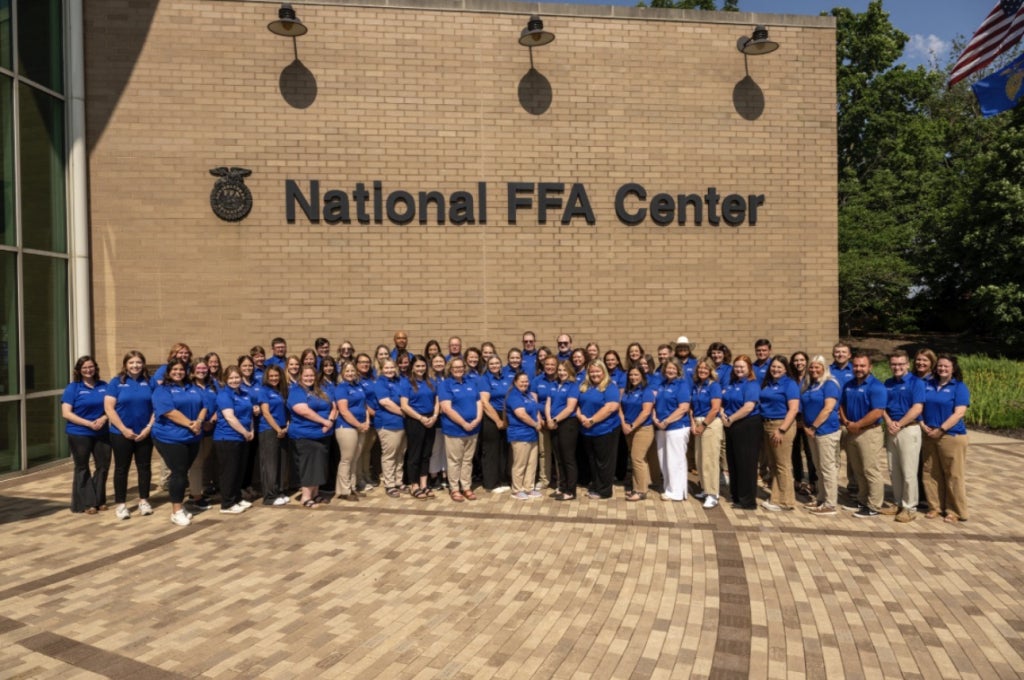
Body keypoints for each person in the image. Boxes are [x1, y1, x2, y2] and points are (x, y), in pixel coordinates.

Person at [151, 358, 206, 526]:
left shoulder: (193, 388)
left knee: (183, 472)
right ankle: (176, 511)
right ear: (168, 372)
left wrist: (198, 422)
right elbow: (169, 412)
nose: (178, 372)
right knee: (179, 472)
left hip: (192, 436)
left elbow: (204, 406)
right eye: (174, 369)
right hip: (170, 438)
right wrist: (191, 424)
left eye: (181, 369)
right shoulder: (163, 390)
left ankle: (180, 506)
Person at [104, 351, 155, 520]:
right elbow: (109, 408)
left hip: (144, 433)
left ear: (143, 364)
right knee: (121, 469)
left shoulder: (150, 382)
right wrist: (124, 429)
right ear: (125, 364)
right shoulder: (116, 382)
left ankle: (144, 501)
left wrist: (148, 428)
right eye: (131, 362)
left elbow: (157, 407)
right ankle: (121, 505)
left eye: (138, 362)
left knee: (144, 467)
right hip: (121, 434)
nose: (135, 366)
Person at [920, 354, 970, 523]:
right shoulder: (928, 385)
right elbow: (919, 406)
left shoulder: (959, 387)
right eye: (940, 366)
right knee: (930, 472)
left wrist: (941, 429)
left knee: (953, 474)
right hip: (929, 434)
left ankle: (954, 510)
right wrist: (922, 424)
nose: (942, 369)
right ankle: (935, 507)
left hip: (951, 435)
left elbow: (959, 413)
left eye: (946, 366)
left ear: (953, 369)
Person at [839, 353, 888, 518]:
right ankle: (862, 500)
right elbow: (841, 405)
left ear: (870, 367)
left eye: (862, 366)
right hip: (852, 430)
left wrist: (857, 425)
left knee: (870, 469)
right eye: (856, 366)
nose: (858, 369)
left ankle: (874, 505)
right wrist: (847, 423)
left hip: (869, 432)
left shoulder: (876, 386)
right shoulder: (848, 385)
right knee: (858, 469)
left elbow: (877, 412)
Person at [62, 355, 112, 514]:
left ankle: (99, 499)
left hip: (102, 432)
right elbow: (66, 413)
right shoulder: (73, 388)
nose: (88, 370)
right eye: (84, 368)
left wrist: (104, 418)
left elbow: (112, 408)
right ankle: (89, 503)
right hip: (79, 433)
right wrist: (89, 423)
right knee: (82, 467)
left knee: (103, 466)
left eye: (91, 367)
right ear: (79, 370)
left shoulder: (104, 386)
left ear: (95, 368)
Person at [883, 350, 925, 522]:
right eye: (894, 364)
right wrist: (888, 422)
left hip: (908, 429)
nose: (897, 367)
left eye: (900, 364)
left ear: (908, 364)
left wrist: (899, 424)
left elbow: (917, 408)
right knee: (894, 470)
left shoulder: (917, 383)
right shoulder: (888, 383)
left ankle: (909, 507)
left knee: (908, 470)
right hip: (892, 429)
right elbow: (882, 407)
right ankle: (898, 502)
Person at [288, 366, 335, 508]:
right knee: (309, 466)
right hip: (305, 434)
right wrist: (323, 421)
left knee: (319, 465)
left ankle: (315, 493)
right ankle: (306, 496)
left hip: (323, 434)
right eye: (306, 376)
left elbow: (333, 406)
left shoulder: (321, 389)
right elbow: (302, 410)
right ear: (300, 376)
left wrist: (331, 421)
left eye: (312, 376)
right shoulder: (296, 391)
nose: (309, 378)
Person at [800, 355, 842, 516]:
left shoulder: (830, 384)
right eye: (811, 367)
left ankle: (830, 504)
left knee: (827, 467)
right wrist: (806, 426)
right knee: (818, 467)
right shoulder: (809, 385)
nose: (814, 370)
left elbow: (828, 408)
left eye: (817, 367)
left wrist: (813, 426)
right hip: (812, 431)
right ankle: (821, 498)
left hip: (826, 431)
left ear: (824, 368)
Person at [759, 355, 800, 512]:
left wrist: (782, 429)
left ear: (785, 369)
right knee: (773, 464)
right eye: (773, 367)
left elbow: (794, 409)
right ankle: (776, 497)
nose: (775, 369)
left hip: (781, 425)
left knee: (782, 464)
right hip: (767, 425)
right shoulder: (768, 383)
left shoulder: (789, 384)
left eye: (779, 367)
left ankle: (786, 501)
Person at [576, 361, 622, 500]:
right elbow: (576, 404)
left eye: (598, 371)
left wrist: (592, 420)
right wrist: (581, 417)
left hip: (605, 430)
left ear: (603, 372)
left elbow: (611, 407)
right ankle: (596, 485)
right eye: (592, 372)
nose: (594, 374)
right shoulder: (584, 386)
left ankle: (604, 491)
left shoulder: (610, 387)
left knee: (604, 462)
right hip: (587, 430)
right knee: (593, 460)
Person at [439, 357, 482, 501]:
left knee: (467, 460)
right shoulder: (445, 385)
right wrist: (463, 423)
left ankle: (466, 487)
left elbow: (479, 401)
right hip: (455, 430)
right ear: (450, 369)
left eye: (461, 367)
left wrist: (478, 418)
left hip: (473, 429)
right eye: (455, 368)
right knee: (455, 460)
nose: (458, 370)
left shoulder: (471, 382)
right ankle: (454, 488)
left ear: (465, 368)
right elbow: (446, 408)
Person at [722, 355, 761, 510]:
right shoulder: (732, 383)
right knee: (733, 461)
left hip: (747, 425)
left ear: (749, 368)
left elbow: (748, 407)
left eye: (742, 367)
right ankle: (737, 496)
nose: (739, 369)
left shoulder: (752, 384)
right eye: (736, 367)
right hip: (731, 425)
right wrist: (722, 412)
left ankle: (748, 501)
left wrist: (730, 419)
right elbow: (723, 401)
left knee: (746, 464)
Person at [213, 366, 255, 515]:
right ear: (225, 379)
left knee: (239, 470)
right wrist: (245, 432)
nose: (234, 380)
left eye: (237, 377)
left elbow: (249, 414)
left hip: (243, 436)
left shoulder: (244, 393)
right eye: (231, 378)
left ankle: (236, 497)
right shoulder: (224, 395)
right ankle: (227, 503)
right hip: (227, 437)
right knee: (229, 471)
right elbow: (230, 417)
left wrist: (251, 431)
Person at [399, 355, 439, 499]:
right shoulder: (406, 383)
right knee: (414, 454)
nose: (421, 369)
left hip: (430, 420)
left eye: (423, 366)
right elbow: (404, 405)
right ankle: (414, 484)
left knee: (426, 454)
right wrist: (421, 418)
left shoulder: (431, 382)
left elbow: (437, 402)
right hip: (415, 420)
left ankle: (424, 484)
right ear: (412, 367)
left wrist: (434, 416)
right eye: (418, 366)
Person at [652, 358, 691, 502]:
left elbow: (684, 408)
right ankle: (669, 488)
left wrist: (667, 421)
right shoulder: (662, 384)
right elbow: (654, 404)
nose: (670, 371)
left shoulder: (682, 385)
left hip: (676, 427)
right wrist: (656, 419)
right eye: (668, 368)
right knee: (664, 459)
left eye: (674, 369)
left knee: (675, 460)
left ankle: (677, 492)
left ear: (679, 370)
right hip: (661, 427)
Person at [334, 360, 371, 501]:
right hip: (347, 427)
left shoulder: (359, 386)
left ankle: (352, 487)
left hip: (361, 426)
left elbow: (364, 405)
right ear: (343, 373)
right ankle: (344, 490)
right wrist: (358, 425)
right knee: (347, 459)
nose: (350, 373)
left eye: (352, 371)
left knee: (355, 458)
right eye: (347, 371)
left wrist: (366, 421)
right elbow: (343, 411)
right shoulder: (341, 388)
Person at [690, 358, 723, 509]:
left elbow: (715, 408)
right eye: (700, 368)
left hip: (709, 424)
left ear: (710, 370)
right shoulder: (696, 385)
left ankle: (713, 494)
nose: (702, 371)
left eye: (705, 368)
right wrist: (693, 423)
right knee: (700, 459)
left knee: (709, 460)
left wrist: (703, 425)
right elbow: (691, 407)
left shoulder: (713, 385)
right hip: (697, 423)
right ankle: (705, 489)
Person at [257, 365, 291, 506]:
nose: (274, 378)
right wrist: (278, 428)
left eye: (276, 376)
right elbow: (266, 413)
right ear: (267, 377)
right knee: (270, 464)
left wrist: (286, 426)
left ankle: (278, 491)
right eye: (271, 376)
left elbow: (285, 409)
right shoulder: (264, 391)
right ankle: (269, 496)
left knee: (280, 462)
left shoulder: (281, 391)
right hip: (269, 430)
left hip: (283, 429)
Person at [621, 366, 655, 502]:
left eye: (636, 375)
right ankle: (639, 486)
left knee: (637, 458)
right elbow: (620, 407)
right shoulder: (628, 391)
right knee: (639, 459)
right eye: (631, 375)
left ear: (642, 376)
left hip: (643, 429)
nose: (633, 377)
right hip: (628, 428)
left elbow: (646, 412)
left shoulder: (646, 391)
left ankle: (641, 491)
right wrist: (624, 424)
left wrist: (633, 425)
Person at [374, 358, 407, 498]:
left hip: (402, 424)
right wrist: (404, 412)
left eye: (392, 367)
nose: (389, 370)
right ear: (381, 369)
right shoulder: (380, 383)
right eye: (386, 368)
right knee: (390, 455)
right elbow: (385, 402)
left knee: (400, 454)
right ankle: (390, 484)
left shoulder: (399, 381)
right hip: (388, 424)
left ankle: (398, 481)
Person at [507, 372, 543, 500]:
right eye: (522, 381)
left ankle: (528, 488)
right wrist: (535, 424)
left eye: (526, 381)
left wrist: (538, 421)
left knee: (531, 463)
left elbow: (536, 409)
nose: (525, 383)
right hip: (520, 434)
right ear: (515, 382)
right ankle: (517, 490)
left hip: (532, 434)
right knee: (520, 464)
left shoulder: (528, 394)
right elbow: (521, 414)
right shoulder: (514, 396)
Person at [547, 360, 580, 500]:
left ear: (570, 371)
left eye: (564, 370)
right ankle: (562, 486)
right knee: (559, 458)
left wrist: (554, 420)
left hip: (567, 424)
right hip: (553, 424)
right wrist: (549, 419)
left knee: (568, 458)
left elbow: (570, 408)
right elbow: (548, 403)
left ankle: (570, 491)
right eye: (559, 370)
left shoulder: (573, 385)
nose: (561, 373)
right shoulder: (554, 384)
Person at [479, 355, 511, 493]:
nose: (494, 365)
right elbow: (485, 402)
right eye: (491, 363)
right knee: (491, 450)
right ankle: (491, 483)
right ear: (487, 364)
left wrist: (504, 418)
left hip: (505, 415)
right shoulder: (484, 379)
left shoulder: (506, 378)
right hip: (491, 417)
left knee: (504, 449)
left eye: (497, 363)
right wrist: (497, 420)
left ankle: (502, 479)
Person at [788, 351, 816, 498]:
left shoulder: (811, 378)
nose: (799, 363)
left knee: (810, 452)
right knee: (795, 452)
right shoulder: (790, 379)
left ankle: (813, 482)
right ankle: (798, 479)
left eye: (801, 360)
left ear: (806, 361)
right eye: (796, 360)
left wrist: (804, 421)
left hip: (808, 419)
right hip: (793, 418)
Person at [532, 355, 560, 490]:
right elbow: (534, 402)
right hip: (542, 422)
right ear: (543, 365)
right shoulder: (537, 380)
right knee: (544, 452)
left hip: (559, 422)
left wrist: (555, 419)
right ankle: (544, 479)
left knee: (560, 452)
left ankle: (561, 480)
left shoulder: (561, 380)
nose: (550, 367)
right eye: (547, 364)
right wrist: (539, 418)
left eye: (552, 364)